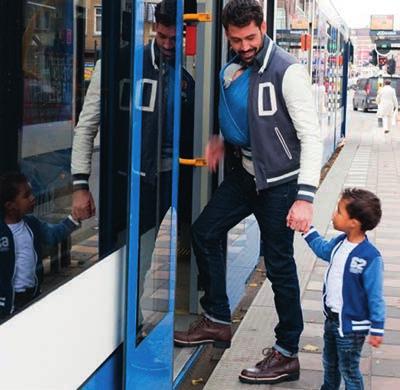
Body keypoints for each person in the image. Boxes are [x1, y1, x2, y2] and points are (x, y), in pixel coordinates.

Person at [174, 0, 322, 385]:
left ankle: (287, 353)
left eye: (250, 37)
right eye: (235, 39)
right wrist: (223, 141)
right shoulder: (236, 66)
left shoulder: (288, 71)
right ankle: (218, 318)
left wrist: (304, 197)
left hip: (279, 184)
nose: (243, 46)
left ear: (263, 27)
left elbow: (311, 136)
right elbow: (249, 114)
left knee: (278, 266)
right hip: (244, 175)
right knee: (204, 231)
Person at [303, 188, 385, 389]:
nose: (333, 214)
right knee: (330, 364)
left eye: (339, 212)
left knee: (349, 369)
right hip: (332, 320)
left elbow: (375, 296)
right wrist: (307, 230)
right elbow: (323, 250)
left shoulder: (370, 256)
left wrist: (377, 327)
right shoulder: (340, 242)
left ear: (353, 223)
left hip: (351, 327)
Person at [0, 172, 80, 319]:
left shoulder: (32, 223)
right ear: (10, 206)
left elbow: (52, 235)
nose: (33, 198)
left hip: (32, 295)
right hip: (8, 304)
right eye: (26, 196)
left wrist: (73, 220)